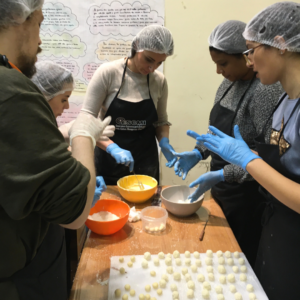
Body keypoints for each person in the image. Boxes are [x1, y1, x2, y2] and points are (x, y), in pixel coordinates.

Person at [0, 2, 111, 300]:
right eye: (39, 23)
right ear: (18, 19)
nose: (39, 41)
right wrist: (83, 134)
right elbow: (75, 212)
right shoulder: (9, 89)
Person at [196, 2, 300, 299]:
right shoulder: (287, 101)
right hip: (276, 227)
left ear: (280, 45)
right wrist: (204, 149)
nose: (250, 61)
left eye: (251, 50)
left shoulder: (274, 94)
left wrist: (245, 162)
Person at [172, 20, 283, 267]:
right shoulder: (228, 83)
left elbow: (266, 160)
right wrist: (199, 152)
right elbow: (218, 132)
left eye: (223, 64)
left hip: (248, 197)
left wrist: (224, 173)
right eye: (216, 64)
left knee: (238, 263)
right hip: (223, 188)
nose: (219, 71)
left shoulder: (265, 90)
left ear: (245, 55)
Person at [81, 24, 177, 185]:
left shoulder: (158, 81)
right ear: (136, 46)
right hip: (109, 162)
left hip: (146, 164)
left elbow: (161, 121)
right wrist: (113, 148)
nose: (152, 68)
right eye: (148, 59)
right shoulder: (108, 73)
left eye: (160, 63)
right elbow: (85, 122)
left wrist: (164, 141)